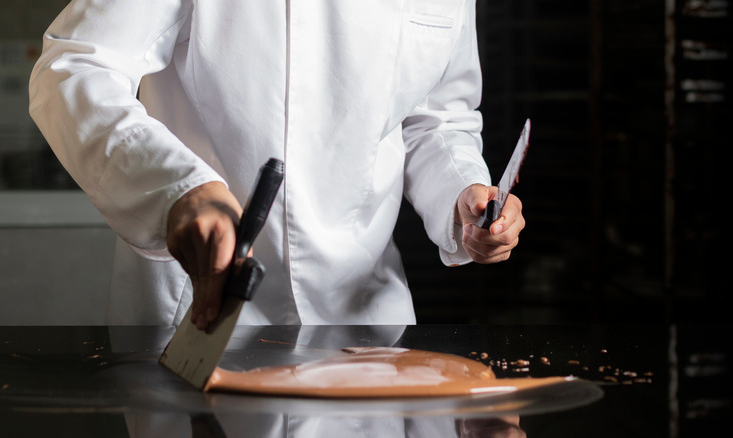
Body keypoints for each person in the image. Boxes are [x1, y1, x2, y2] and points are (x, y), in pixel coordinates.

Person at [29, 0, 525, 328]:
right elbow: (74, 67)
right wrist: (177, 188)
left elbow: (434, 119)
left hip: (365, 321)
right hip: (199, 310)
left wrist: (464, 195)